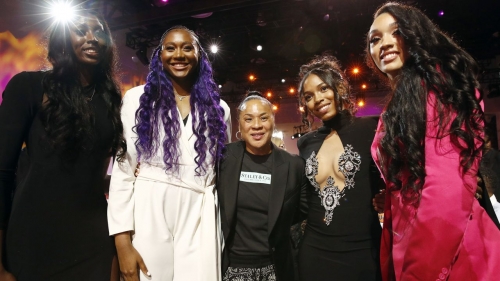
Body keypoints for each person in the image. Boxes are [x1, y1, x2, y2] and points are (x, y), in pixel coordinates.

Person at [366, 2, 500, 280]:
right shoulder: (401, 101)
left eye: (397, 32)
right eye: (375, 39)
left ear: (417, 35)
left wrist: (417, 274)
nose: (385, 44)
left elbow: (445, 190)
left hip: (447, 250)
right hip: (414, 240)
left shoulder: (439, 89)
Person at [0, 9, 124, 281]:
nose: (92, 38)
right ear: (62, 38)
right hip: (34, 235)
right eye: (80, 30)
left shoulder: (112, 100)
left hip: (93, 239)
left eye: (100, 31)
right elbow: (2, 172)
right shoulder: (30, 86)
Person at [107, 25, 231, 281]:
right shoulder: (137, 99)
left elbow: (222, 170)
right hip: (150, 208)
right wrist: (122, 243)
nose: (179, 55)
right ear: (159, 55)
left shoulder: (219, 109)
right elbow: (123, 170)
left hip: (200, 211)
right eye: (170, 48)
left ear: (199, 55)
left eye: (188, 47)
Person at [296, 55, 382, 281]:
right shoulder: (305, 143)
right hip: (315, 251)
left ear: (340, 86)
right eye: (309, 96)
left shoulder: (371, 129)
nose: (317, 99)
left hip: (363, 250)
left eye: (323, 88)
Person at [217, 92, 308, 281]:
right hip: (232, 267)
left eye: (263, 118)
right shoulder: (222, 159)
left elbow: (301, 211)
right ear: (240, 124)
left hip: (276, 267)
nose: (256, 125)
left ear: (273, 121)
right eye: (248, 119)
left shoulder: (294, 166)